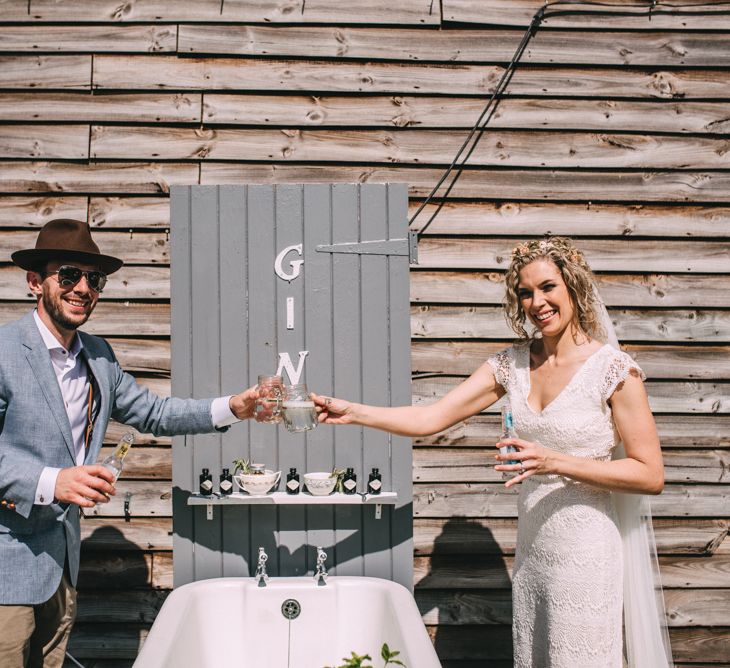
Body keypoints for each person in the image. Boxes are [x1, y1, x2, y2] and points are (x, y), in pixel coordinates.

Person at [313, 236, 672, 667]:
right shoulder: (511, 364)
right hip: (534, 554)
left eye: (547, 287)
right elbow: (431, 418)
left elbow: (650, 474)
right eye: (525, 293)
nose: (537, 302)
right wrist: (352, 412)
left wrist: (552, 460)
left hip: (588, 555)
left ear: (574, 286)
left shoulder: (614, 370)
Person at [0, 219, 258, 667]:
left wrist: (233, 406)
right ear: (35, 282)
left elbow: (155, 413)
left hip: (62, 567)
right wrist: (51, 481)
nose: (82, 287)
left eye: (93, 279)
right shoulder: (3, 351)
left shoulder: (99, 357)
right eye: (68, 275)